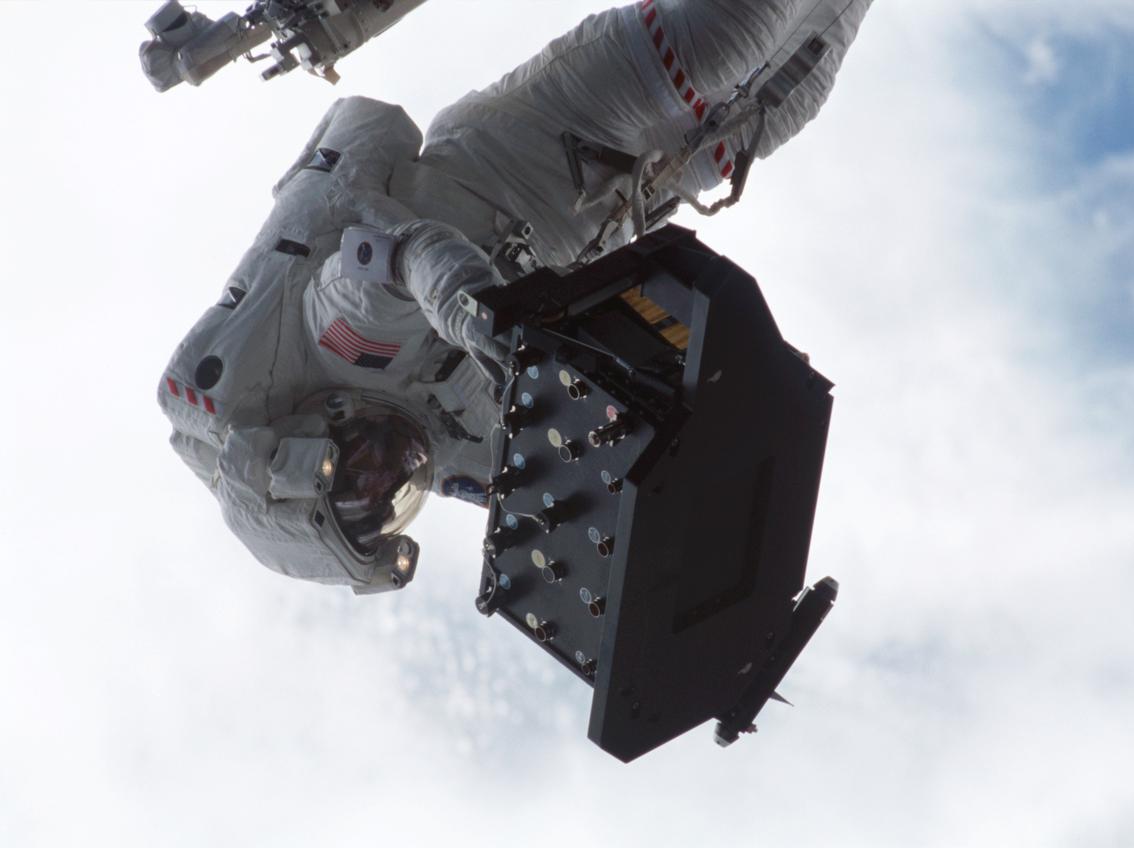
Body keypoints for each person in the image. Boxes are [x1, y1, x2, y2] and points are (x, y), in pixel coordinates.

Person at [158, 0, 876, 591]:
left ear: (316, 438)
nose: (386, 479)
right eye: (383, 506)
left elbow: (402, 255)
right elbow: (596, 486)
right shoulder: (467, 454)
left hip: (545, 133)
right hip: (632, 200)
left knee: (729, 37)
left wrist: (471, 309)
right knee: (796, 83)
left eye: (357, 482)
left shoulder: (342, 340)